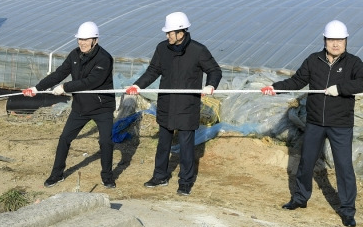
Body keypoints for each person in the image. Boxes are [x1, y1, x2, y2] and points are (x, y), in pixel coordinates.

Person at [261, 20, 363, 227]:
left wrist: (341, 88)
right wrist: (275, 87)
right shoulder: (313, 60)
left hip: (340, 124)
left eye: (340, 40)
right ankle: (300, 198)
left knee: (344, 167)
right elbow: (297, 81)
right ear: (325, 40)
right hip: (315, 121)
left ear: (346, 42)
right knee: (306, 161)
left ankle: (347, 210)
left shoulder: (354, 63)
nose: (336, 44)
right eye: (332, 39)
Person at [125, 11, 221, 196]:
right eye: (167, 33)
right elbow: (153, 71)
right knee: (163, 143)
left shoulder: (198, 50)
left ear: (181, 33)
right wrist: (138, 85)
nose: (167, 36)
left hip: (187, 106)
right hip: (167, 104)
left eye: (170, 33)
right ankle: (160, 175)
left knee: (186, 146)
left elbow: (214, 70)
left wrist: (210, 85)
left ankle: (185, 181)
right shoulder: (162, 49)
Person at [22, 21, 116, 189]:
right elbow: (59, 73)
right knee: (65, 138)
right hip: (81, 107)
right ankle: (56, 175)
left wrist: (65, 87)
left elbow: (91, 82)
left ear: (95, 40)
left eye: (86, 40)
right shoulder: (75, 55)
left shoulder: (104, 59)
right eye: (80, 39)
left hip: (103, 107)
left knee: (105, 142)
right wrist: (37, 88)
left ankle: (107, 177)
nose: (82, 43)